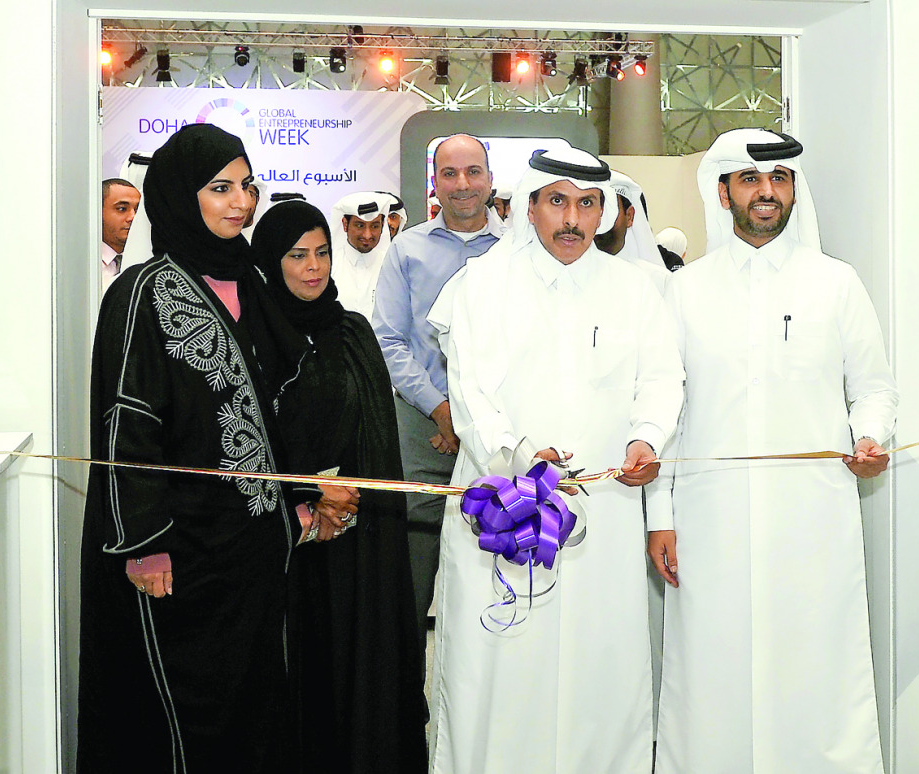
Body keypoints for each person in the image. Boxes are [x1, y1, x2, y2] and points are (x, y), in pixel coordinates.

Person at [77, 123, 356, 773]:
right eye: (221, 188)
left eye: (247, 186)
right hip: (179, 554)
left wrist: (301, 502)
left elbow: (270, 412)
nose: (241, 202)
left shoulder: (251, 281)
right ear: (181, 194)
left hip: (250, 555)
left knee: (253, 711)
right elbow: (128, 423)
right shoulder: (143, 292)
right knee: (181, 719)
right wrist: (143, 543)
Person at [426, 147, 684, 774]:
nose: (572, 219)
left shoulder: (635, 289)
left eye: (587, 204)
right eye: (558, 202)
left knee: (600, 668)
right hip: (503, 507)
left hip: (604, 516)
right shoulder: (484, 284)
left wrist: (647, 439)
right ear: (531, 207)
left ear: (605, 212)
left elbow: (662, 379)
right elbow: (471, 392)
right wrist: (517, 457)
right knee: (503, 671)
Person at [648, 128, 898, 774]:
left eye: (779, 179)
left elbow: (873, 389)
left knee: (816, 667)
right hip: (711, 521)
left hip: (813, 519)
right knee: (712, 669)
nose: (766, 191)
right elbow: (663, 408)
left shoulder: (836, 284)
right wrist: (660, 517)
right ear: (723, 192)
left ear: (793, 190)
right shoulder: (685, 290)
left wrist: (869, 435)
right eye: (751, 179)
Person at [252, 200, 429, 773]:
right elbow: (248, 440)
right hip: (287, 547)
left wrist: (350, 500)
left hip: (358, 545)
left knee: (358, 665)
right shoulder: (252, 338)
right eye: (297, 255)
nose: (314, 267)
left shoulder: (352, 331)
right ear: (270, 261)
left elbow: (377, 437)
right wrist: (309, 496)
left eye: (322, 253)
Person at [371, 134, 504, 658]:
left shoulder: (518, 250)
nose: (462, 184)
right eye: (450, 173)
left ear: (490, 179)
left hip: (498, 434)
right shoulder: (407, 250)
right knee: (410, 577)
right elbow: (387, 340)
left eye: (473, 172)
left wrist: (473, 417)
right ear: (434, 182)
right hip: (421, 431)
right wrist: (441, 408)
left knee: (495, 569)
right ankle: (404, 696)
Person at [595, 169, 672, 294]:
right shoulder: (569, 275)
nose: (602, 221)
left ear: (629, 216)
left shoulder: (658, 282)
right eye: (593, 209)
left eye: (610, 211)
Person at [331, 191, 393, 318]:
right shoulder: (329, 266)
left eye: (374, 226)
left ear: (382, 226)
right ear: (345, 224)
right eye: (360, 225)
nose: (367, 235)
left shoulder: (392, 267)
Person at [100, 178, 140, 296]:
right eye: (122, 209)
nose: (133, 217)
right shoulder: (83, 264)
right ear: (97, 212)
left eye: (137, 210)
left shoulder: (146, 261)